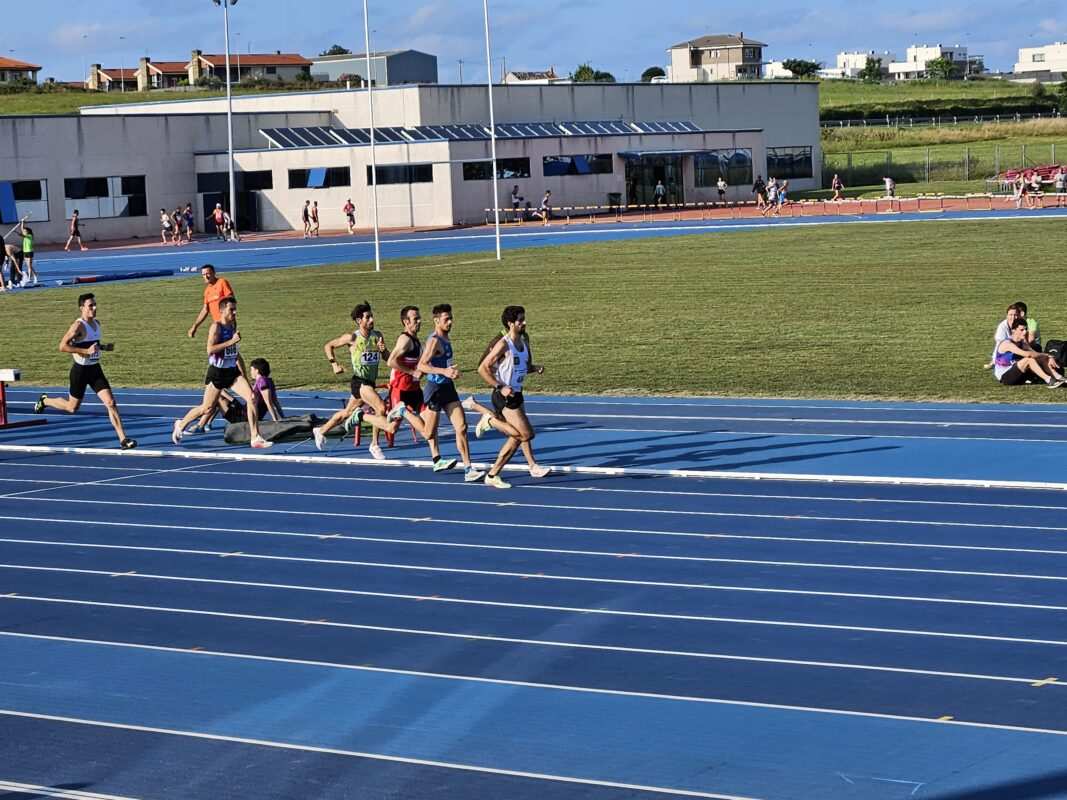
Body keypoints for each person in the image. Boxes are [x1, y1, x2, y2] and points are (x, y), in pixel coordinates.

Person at [34, 293, 136, 449]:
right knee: (72, 408)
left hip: (94, 369)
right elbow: (62, 346)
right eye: (90, 306)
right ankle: (45, 401)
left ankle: (123, 439)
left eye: (95, 305)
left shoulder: (97, 323)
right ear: (82, 308)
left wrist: (104, 347)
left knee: (111, 402)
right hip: (80, 371)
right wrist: (86, 352)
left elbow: (92, 344)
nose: (94, 308)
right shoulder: (77, 326)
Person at [463, 305, 552, 485]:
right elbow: (482, 368)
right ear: (510, 323)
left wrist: (535, 368)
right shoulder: (503, 343)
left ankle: (493, 475)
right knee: (526, 434)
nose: (524, 323)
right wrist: (500, 386)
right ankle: (490, 420)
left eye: (524, 319)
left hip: (517, 394)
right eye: (520, 320)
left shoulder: (524, 341)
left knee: (517, 436)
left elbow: (523, 367)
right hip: (504, 396)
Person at [172, 296, 272, 448]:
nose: (235, 312)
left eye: (235, 309)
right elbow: (210, 349)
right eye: (232, 309)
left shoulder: (233, 324)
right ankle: (180, 424)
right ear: (222, 310)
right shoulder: (216, 327)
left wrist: (243, 374)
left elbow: (235, 352)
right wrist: (231, 341)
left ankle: (255, 437)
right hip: (217, 373)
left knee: (252, 398)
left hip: (232, 372)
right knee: (206, 408)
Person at [312, 301, 403, 460]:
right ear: (359, 320)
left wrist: (384, 351)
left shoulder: (377, 336)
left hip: (370, 382)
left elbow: (387, 359)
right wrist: (334, 364)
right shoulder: (352, 337)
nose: (372, 320)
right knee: (380, 408)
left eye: (372, 316)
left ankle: (321, 430)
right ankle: (374, 444)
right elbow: (328, 346)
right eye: (368, 317)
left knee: (347, 413)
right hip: (359, 382)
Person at [416, 303, 485, 481]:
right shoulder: (434, 340)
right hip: (435, 389)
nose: (450, 322)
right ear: (436, 321)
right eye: (446, 319)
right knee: (428, 433)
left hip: (448, 387)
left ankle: (468, 469)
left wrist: (450, 370)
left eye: (451, 318)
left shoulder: (445, 338)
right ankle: (402, 411)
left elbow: (441, 363)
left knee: (462, 427)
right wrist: (444, 371)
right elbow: (422, 365)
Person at [993, 317, 1065, 387]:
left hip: (1018, 373)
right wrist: (1047, 355)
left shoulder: (1022, 343)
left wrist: (1047, 357)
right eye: (1021, 330)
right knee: (1029, 360)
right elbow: (1028, 354)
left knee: (1041, 358)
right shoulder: (1007, 344)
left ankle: (1060, 378)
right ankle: (1049, 380)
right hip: (1005, 377)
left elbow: (1034, 353)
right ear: (1013, 330)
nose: (1025, 332)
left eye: (1026, 329)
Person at [188, 264, 235, 339]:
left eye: (208, 274)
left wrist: (229, 319)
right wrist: (195, 326)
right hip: (217, 325)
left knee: (221, 345)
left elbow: (231, 301)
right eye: (203, 274)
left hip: (227, 324)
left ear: (214, 273)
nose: (206, 276)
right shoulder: (207, 291)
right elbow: (205, 310)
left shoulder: (222, 282)